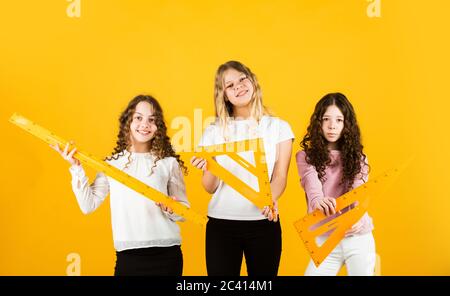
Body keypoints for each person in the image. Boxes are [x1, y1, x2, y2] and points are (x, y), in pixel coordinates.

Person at [51, 95, 189, 275]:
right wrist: (77, 169)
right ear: (128, 122)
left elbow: (184, 211)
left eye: (152, 120)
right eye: (138, 118)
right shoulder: (111, 165)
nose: (145, 124)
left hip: (167, 254)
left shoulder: (168, 163)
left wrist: (171, 208)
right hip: (128, 257)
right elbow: (88, 205)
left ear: (159, 127)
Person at [190, 61, 294, 276]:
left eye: (242, 79)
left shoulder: (279, 127)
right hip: (221, 226)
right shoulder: (213, 131)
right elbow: (209, 187)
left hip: (264, 224)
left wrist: (268, 200)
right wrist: (210, 166)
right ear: (224, 95)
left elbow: (280, 175)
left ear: (252, 81)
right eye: (230, 85)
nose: (238, 86)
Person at [296, 92, 375, 276]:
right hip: (326, 239)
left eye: (339, 120)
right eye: (326, 119)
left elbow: (358, 191)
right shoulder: (305, 157)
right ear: (319, 123)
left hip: (357, 236)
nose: (332, 126)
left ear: (346, 124)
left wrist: (356, 215)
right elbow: (311, 183)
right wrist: (318, 201)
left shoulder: (359, 159)